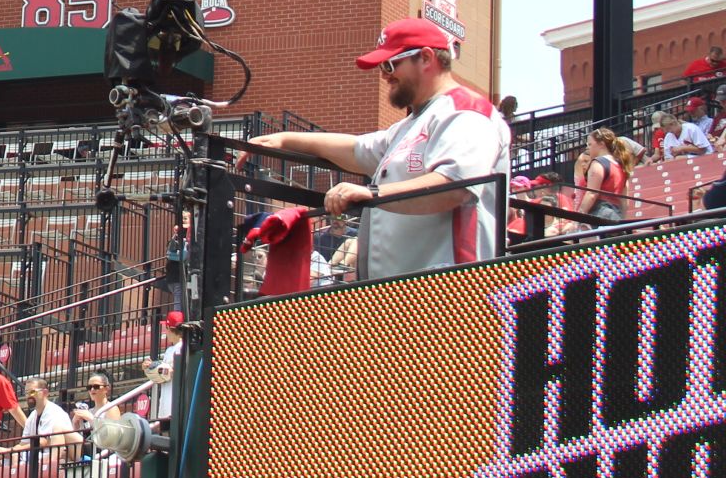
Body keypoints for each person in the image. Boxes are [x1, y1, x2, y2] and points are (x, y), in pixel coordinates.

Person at [253, 17, 513, 280]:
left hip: (452, 287)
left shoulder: (467, 112)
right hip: (400, 291)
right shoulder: (410, 124)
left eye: (390, 64)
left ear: (425, 58)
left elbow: (456, 186)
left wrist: (372, 193)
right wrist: (282, 139)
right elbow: (357, 149)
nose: (384, 74)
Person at [574, 128, 638, 224]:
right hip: (616, 214)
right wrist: (622, 220)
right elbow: (624, 200)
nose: (588, 148)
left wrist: (579, 216)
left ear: (601, 144)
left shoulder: (598, 163)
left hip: (599, 212)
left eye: (590, 144)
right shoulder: (621, 166)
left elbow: (592, 194)